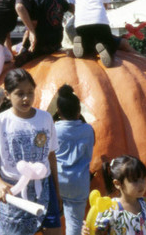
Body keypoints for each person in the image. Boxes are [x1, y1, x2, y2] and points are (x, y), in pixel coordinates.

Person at [0, 68, 61, 235]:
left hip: (44, 187)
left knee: (54, 231)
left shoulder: (45, 118)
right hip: (13, 190)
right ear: (7, 94)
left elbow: (51, 155)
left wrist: (57, 191)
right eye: (20, 93)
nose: (26, 98)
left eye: (30, 92)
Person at [54, 84, 94, 235]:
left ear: (58, 112)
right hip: (79, 183)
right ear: (79, 111)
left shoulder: (54, 129)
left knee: (51, 218)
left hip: (58, 180)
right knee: (75, 223)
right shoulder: (88, 130)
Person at [15, 0, 73, 66]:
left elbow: (32, 25)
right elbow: (70, 8)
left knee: (17, 62)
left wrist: (24, 46)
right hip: (56, 43)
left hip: (40, 45)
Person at [82, 155, 146, 235]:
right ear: (117, 184)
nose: (141, 184)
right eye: (135, 180)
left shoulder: (145, 204)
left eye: (143, 179)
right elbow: (98, 232)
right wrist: (87, 231)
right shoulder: (110, 207)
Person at [67, 0, 119, 68]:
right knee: (110, 43)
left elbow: (71, 5)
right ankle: (104, 47)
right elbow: (106, 6)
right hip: (100, 21)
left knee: (88, 44)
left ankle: (82, 44)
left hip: (81, 23)